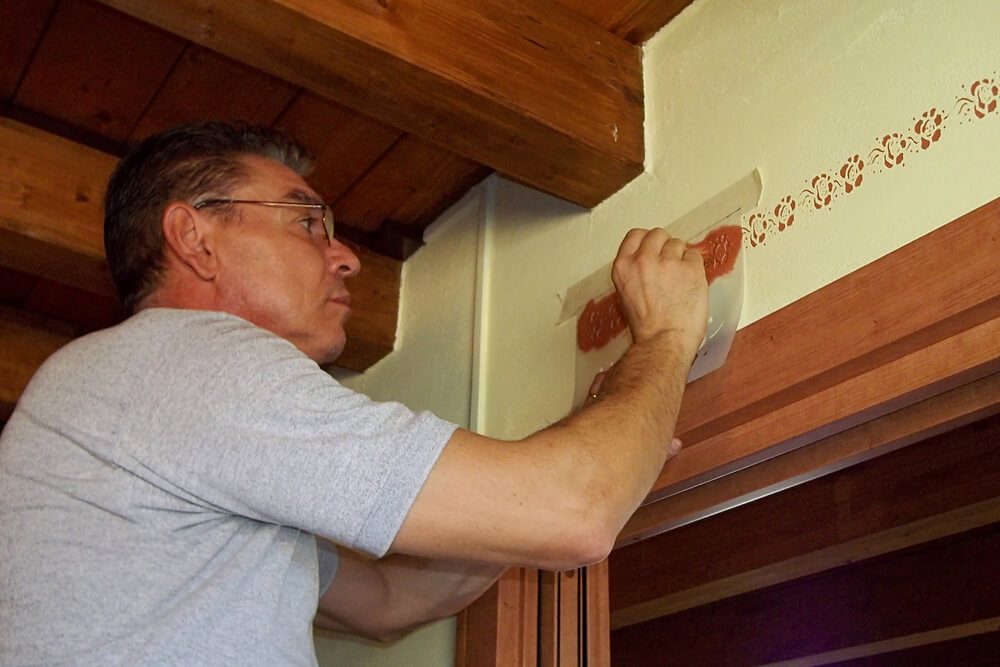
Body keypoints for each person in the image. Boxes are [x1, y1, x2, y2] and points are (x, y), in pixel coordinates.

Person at [0, 122, 707, 666]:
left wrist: (585, 437)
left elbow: (391, 601)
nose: (344, 255)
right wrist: (668, 337)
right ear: (195, 237)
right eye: (307, 221)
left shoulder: (154, 420)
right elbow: (576, 512)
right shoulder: (182, 361)